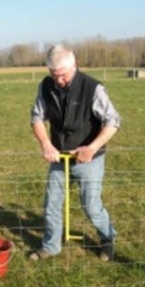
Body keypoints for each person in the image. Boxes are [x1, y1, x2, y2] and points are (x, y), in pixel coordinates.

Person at [30, 44, 121, 262]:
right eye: (53, 76)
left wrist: (92, 148)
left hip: (89, 157)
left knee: (91, 205)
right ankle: (51, 246)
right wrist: (46, 144)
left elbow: (113, 121)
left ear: (74, 66)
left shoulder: (92, 88)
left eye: (62, 76)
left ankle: (107, 239)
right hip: (59, 156)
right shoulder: (46, 87)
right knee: (51, 203)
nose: (58, 81)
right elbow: (36, 118)